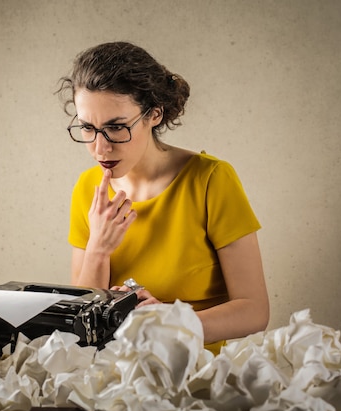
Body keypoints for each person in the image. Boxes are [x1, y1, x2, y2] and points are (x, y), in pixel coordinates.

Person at [57, 41, 269, 354]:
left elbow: (254, 311)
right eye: (88, 128)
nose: (100, 148)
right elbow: (80, 322)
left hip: (196, 376)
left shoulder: (210, 180)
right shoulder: (88, 188)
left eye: (116, 127)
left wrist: (169, 322)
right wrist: (98, 251)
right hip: (108, 375)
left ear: (154, 114)